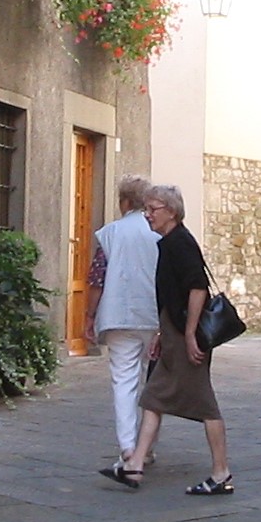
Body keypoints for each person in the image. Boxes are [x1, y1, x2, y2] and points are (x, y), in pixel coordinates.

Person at [100, 184, 232, 495]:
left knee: (205, 405)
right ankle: (134, 465)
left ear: (171, 212)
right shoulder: (168, 242)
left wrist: (188, 334)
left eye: (152, 209)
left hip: (188, 335)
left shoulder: (180, 243)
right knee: (153, 397)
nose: (147, 215)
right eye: (146, 208)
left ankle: (221, 472)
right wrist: (163, 331)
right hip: (174, 332)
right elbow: (171, 295)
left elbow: (197, 288)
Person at [84, 175, 161, 468]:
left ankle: (129, 447)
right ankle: (148, 447)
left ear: (125, 202)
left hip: (117, 316)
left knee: (124, 381)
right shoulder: (159, 232)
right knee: (153, 384)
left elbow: (96, 278)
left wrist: (90, 316)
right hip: (153, 318)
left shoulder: (110, 233)